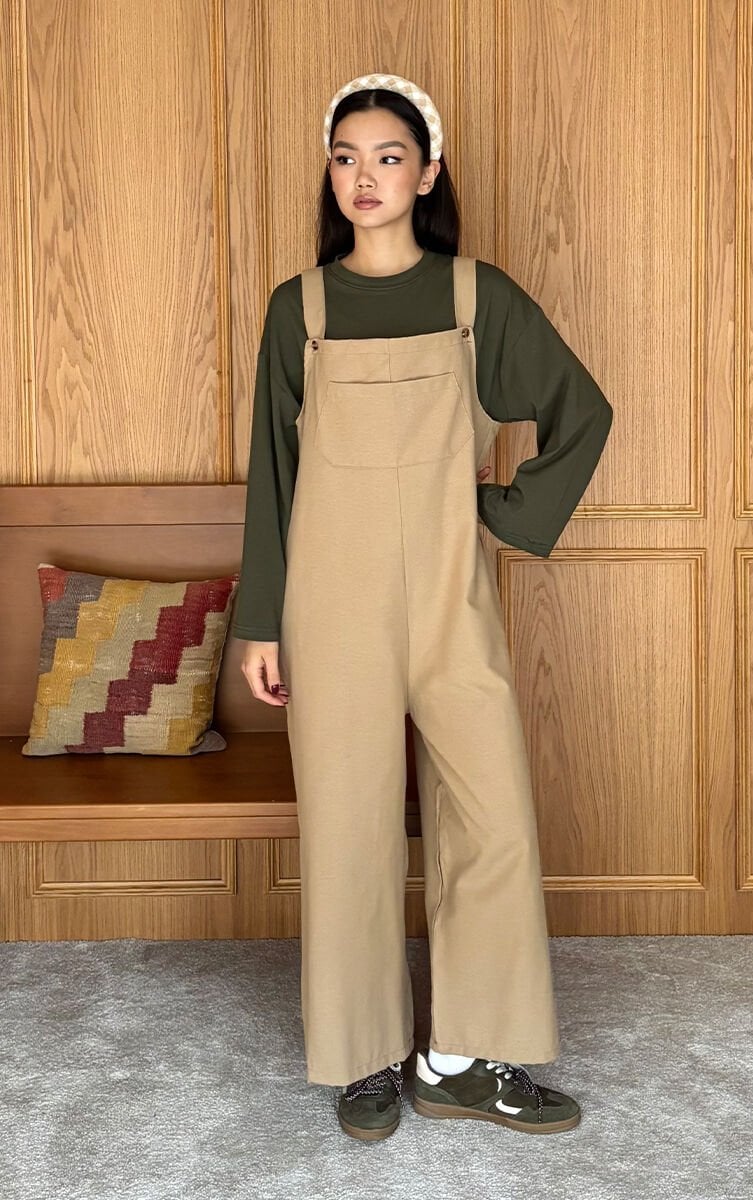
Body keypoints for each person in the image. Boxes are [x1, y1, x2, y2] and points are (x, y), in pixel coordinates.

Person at [232, 73, 613, 1142]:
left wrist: (501, 509)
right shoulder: (300, 311)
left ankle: (463, 1059)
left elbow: (580, 411)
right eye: (346, 157)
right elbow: (271, 474)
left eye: (388, 156)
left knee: (491, 819)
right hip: (330, 604)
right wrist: (260, 621)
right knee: (347, 825)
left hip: (452, 596)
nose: (365, 177)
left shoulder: (475, 300)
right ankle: (362, 1057)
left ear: (428, 173)